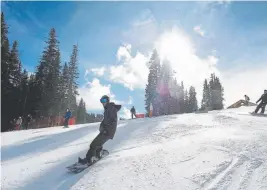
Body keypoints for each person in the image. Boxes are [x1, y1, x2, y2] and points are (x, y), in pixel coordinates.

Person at [78, 95, 121, 165]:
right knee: (98, 143)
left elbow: (113, 121)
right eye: (101, 101)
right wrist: (102, 126)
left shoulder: (111, 108)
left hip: (107, 132)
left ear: (107, 100)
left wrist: (107, 130)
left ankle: (88, 160)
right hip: (105, 131)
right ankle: (98, 154)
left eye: (104, 101)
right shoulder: (107, 109)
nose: (102, 102)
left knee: (93, 144)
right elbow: (106, 121)